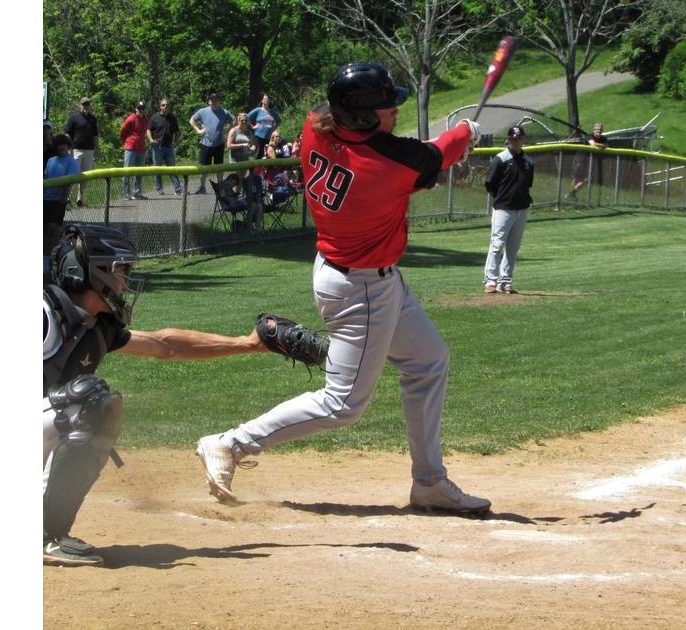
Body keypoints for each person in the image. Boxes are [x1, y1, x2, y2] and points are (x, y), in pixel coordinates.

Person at [195, 62, 491, 514]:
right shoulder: (387, 164)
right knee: (343, 403)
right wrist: (467, 131)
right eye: (387, 107)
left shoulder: (316, 126)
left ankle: (429, 482)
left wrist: (455, 141)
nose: (395, 112)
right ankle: (230, 444)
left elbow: (426, 151)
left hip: (361, 275)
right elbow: (439, 153)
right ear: (362, 117)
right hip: (362, 289)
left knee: (428, 360)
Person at [43, 224, 294, 566]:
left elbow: (166, 345)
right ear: (92, 271)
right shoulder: (44, 315)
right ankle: (44, 536)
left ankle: (49, 531)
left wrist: (248, 343)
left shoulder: (96, 326)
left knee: (96, 405)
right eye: (121, 271)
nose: (125, 282)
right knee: (89, 401)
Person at [482, 126, 535, 294]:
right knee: (497, 245)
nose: (516, 141)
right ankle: (491, 280)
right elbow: (490, 183)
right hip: (503, 208)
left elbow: (528, 184)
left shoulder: (528, 161)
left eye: (519, 139)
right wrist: (501, 198)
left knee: (513, 247)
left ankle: (506, 280)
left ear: (523, 140)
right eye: (513, 139)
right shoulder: (500, 159)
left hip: (521, 208)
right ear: (508, 140)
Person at [44, 134, 79, 267]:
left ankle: (57, 256)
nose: (61, 147)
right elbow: (46, 178)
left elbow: (68, 183)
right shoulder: (51, 160)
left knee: (54, 228)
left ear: (68, 146)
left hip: (58, 201)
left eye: (64, 144)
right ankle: (46, 257)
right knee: (45, 229)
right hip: (45, 199)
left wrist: (62, 201)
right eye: (58, 144)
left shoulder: (71, 162)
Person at [188, 91, 233, 194]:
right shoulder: (203, 111)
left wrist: (227, 132)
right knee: (204, 167)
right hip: (206, 143)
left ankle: (221, 187)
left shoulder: (224, 112)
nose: (213, 102)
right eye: (211, 100)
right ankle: (202, 187)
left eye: (215, 100)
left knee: (219, 167)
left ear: (218, 101)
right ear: (208, 101)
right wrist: (198, 130)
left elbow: (233, 121)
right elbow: (192, 120)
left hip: (219, 143)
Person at [64, 96, 99, 207]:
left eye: (88, 104)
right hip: (76, 149)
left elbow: (95, 135)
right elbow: (67, 133)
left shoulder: (93, 119)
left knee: (85, 175)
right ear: (80, 105)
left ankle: (80, 199)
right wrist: (69, 147)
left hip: (89, 150)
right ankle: (67, 198)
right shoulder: (74, 117)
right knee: (73, 174)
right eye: (84, 104)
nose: (86, 107)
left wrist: (97, 148)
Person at [147, 98, 183, 195]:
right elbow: (148, 130)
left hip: (168, 147)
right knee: (157, 169)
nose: (165, 107)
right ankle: (159, 189)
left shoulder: (172, 118)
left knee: (172, 168)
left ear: (169, 106)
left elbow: (177, 132)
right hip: (157, 147)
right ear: (160, 107)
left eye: (167, 105)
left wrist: (175, 142)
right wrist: (151, 140)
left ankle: (177, 189)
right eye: (163, 105)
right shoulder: (155, 117)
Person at [566, 122, 607, 200]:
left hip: (590, 160)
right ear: (594, 130)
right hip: (580, 159)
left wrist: (603, 145)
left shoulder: (604, 138)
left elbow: (606, 145)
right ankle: (571, 195)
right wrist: (602, 145)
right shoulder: (589, 136)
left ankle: (571, 194)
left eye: (600, 129)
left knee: (588, 179)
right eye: (597, 129)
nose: (599, 131)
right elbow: (593, 144)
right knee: (577, 177)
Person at [119, 101, 150, 200]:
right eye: (139, 108)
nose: (141, 110)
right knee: (127, 171)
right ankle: (125, 193)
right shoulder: (131, 118)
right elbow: (122, 130)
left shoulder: (145, 120)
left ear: (145, 110)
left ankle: (137, 193)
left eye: (142, 108)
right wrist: (124, 141)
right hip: (130, 148)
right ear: (136, 109)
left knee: (139, 172)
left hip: (141, 148)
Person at [247, 93, 280, 159]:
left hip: (269, 138)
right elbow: (246, 117)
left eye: (268, 99)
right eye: (265, 99)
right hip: (259, 136)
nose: (267, 100)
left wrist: (275, 128)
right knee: (258, 154)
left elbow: (278, 121)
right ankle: (254, 168)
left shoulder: (273, 112)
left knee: (268, 155)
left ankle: (266, 169)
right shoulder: (258, 110)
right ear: (262, 101)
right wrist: (252, 126)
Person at [226, 112, 253, 178]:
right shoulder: (233, 131)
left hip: (245, 159)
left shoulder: (249, 132)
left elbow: (251, 144)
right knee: (236, 180)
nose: (244, 122)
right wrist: (242, 145)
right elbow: (229, 146)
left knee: (241, 180)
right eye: (242, 120)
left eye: (246, 120)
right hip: (235, 160)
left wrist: (252, 147)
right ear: (238, 121)